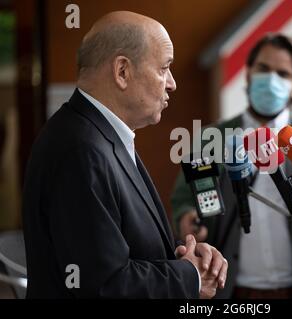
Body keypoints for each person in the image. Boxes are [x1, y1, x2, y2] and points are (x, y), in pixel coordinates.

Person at [22, 11, 227, 298]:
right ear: (122, 72)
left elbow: (121, 245)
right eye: (164, 68)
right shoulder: (81, 150)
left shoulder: (97, 135)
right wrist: (189, 276)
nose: (172, 83)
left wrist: (184, 258)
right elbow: (104, 284)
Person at [171, 33, 292, 299]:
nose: (271, 80)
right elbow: (183, 199)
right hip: (232, 289)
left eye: (283, 73)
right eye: (263, 69)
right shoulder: (211, 139)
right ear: (247, 74)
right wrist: (186, 218)